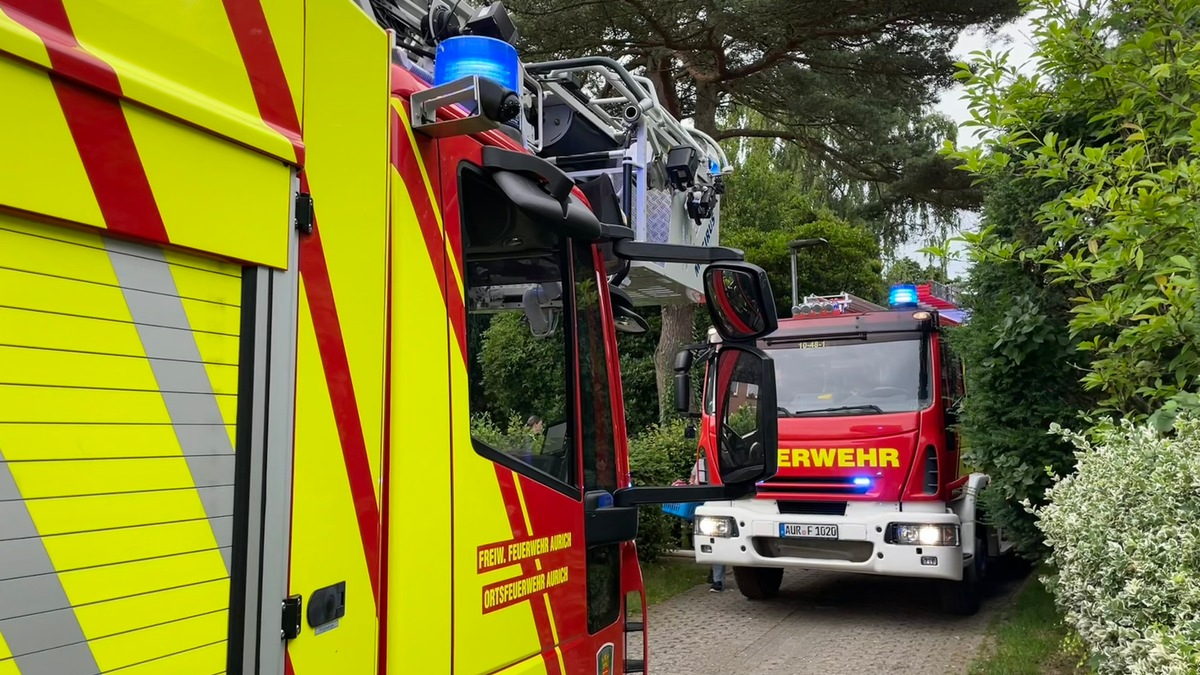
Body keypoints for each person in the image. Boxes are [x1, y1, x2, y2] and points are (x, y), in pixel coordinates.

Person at [674, 455, 728, 592]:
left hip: (715, 506)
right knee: (709, 541)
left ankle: (717, 580)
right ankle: (716, 574)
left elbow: (694, 481)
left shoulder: (716, 462)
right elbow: (693, 480)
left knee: (716, 540)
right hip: (704, 507)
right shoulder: (702, 462)